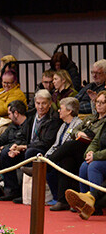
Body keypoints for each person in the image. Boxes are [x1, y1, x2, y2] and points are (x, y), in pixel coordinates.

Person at [67, 92, 106, 220]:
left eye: (102, 102)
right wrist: (89, 153)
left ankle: (91, 204)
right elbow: (95, 141)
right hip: (100, 157)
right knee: (84, 165)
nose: (98, 105)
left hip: (101, 158)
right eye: (97, 102)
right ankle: (83, 201)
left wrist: (95, 156)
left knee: (94, 166)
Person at [45, 97, 84, 210]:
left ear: (69, 111)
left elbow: (70, 146)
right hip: (65, 158)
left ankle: (46, 165)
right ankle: (62, 200)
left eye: (61, 108)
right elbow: (56, 145)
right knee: (65, 162)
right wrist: (46, 156)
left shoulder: (78, 124)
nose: (58, 111)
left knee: (67, 152)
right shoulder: (63, 125)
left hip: (78, 157)